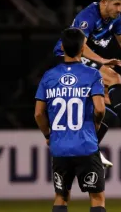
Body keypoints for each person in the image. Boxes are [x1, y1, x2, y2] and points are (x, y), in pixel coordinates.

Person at [52, 0, 121, 167]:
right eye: (116, 5)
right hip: (67, 56)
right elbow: (79, 46)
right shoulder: (88, 16)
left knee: (108, 108)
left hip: (81, 58)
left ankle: (90, 149)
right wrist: (102, 61)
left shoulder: (114, 19)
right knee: (114, 77)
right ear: (104, 2)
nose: (119, 9)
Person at [35, 28, 107, 212]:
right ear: (83, 48)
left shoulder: (49, 76)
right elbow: (99, 109)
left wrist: (47, 134)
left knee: (61, 196)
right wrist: (96, 125)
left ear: (62, 47)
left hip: (59, 149)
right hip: (86, 146)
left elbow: (38, 114)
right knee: (97, 197)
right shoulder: (92, 75)